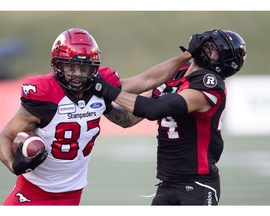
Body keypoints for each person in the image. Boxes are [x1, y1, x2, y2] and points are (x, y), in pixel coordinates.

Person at [0, 28, 206, 205]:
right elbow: (5, 136)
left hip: (72, 194)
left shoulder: (99, 86)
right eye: (71, 66)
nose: (78, 74)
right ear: (58, 65)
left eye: (84, 68)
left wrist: (186, 56)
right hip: (31, 191)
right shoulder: (45, 93)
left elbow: (145, 81)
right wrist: (14, 165)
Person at [92, 29, 247, 205]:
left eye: (214, 48)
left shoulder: (210, 84)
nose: (206, 47)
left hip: (197, 184)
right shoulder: (177, 73)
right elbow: (129, 117)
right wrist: (103, 103)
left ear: (223, 62)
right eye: (208, 43)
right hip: (167, 183)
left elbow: (154, 109)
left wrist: (105, 90)